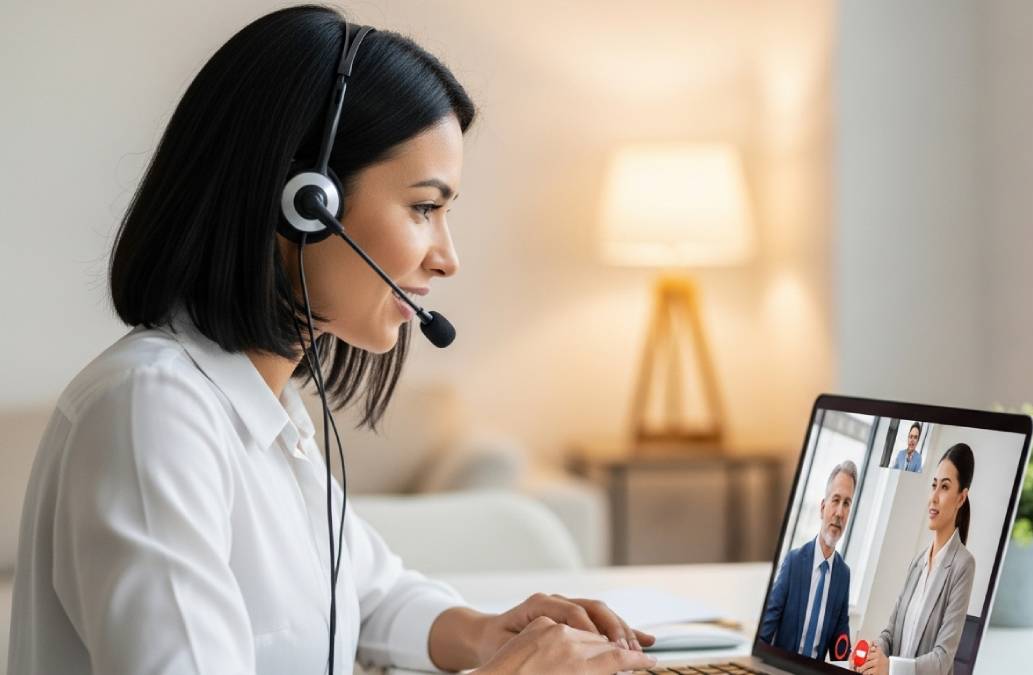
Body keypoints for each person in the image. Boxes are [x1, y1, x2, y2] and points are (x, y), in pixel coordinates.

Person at [6, 6, 657, 675]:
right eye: (424, 208)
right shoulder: (152, 410)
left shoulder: (266, 405)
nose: (446, 257)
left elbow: (366, 595)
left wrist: (490, 633)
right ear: (306, 202)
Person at [857, 443, 977, 675]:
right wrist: (875, 655)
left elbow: (942, 660)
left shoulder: (963, 565)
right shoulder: (917, 563)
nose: (933, 497)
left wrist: (889, 667)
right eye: (933, 485)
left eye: (944, 487)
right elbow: (890, 634)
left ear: (961, 498)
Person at [759, 461, 857, 662]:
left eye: (846, 504)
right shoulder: (794, 562)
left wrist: (857, 659)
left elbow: (840, 648)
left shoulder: (843, 576)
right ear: (823, 508)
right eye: (835, 500)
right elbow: (763, 634)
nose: (839, 512)